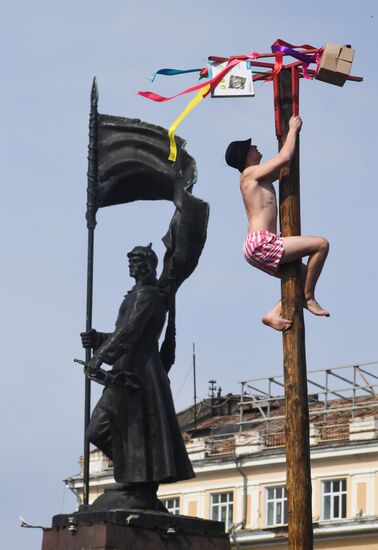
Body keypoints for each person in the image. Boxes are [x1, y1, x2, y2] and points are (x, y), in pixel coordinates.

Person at [81, 244, 194, 511]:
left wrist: (98, 358)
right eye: (129, 260)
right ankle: (135, 476)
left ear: (149, 265)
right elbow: (125, 334)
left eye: (136, 260)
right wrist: (98, 340)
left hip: (139, 371)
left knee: (118, 428)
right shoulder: (138, 295)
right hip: (127, 367)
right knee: (105, 429)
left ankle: (139, 484)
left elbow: (131, 333)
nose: (131, 265)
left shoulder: (147, 295)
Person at [225, 116, 329, 332]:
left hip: (259, 244)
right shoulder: (249, 174)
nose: (255, 146)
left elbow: (281, 167)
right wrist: (292, 129)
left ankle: (272, 314)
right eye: (250, 147)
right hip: (261, 243)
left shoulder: (255, 177)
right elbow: (285, 158)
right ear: (246, 157)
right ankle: (308, 298)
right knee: (321, 244)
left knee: (304, 275)